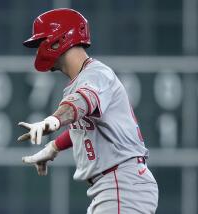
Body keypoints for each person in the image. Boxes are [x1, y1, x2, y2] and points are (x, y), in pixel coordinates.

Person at [18, 8, 158, 214]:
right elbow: (86, 125)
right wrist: (54, 147)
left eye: (42, 42)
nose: (39, 49)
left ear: (60, 39)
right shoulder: (89, 75)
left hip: (121, 184)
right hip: (116, 186)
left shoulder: (95, 74)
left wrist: (52, 121)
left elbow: (81, 102)